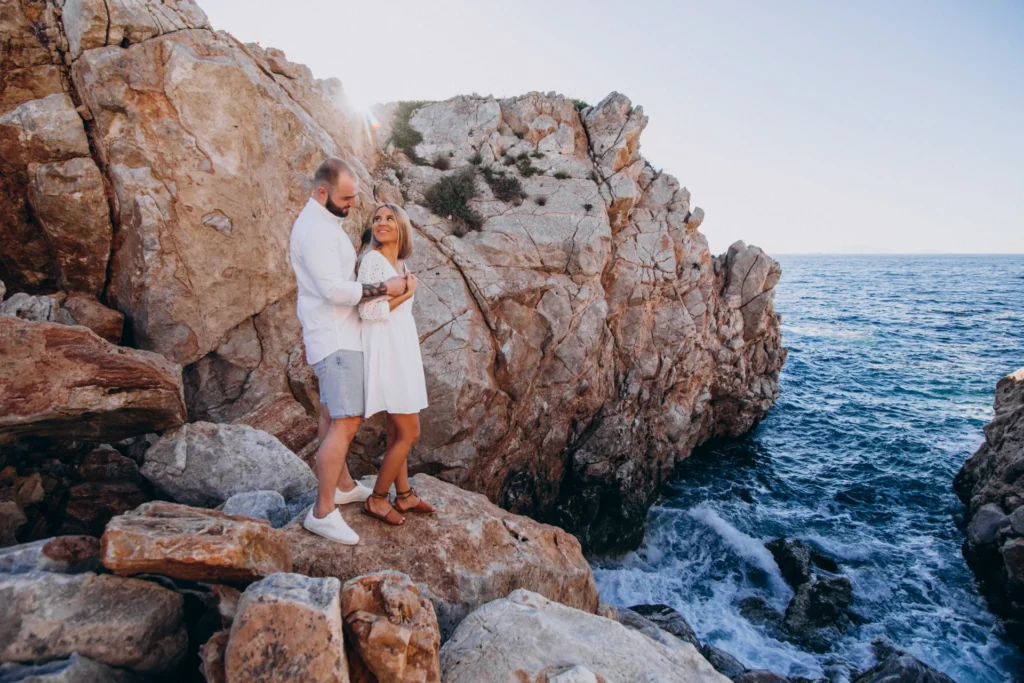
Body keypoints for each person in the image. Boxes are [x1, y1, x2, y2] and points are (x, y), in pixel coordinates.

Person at [289, 158, 407, 544]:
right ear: (322, 192)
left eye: (355, 196)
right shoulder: (316, 232)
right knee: (347, 421)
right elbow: (334, 291)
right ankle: (323, 512)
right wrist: (386, 288)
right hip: (336, 339)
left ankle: (341, 487)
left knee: (330, 414)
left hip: (336, 336)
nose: (354, 204)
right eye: (346, 198)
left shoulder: (324, 223)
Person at [357, 203, 433, 525]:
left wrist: (405, 289)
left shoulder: (400, 264)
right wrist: (406, 292)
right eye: (377, 219)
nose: (381, 223)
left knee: (396, 429)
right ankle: (377, 498)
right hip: (386, 351)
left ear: (402, 226)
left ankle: (403, 496)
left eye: (389, 218)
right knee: (410, 432)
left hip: (402, 349)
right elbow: (367, 311)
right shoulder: (372, 260)